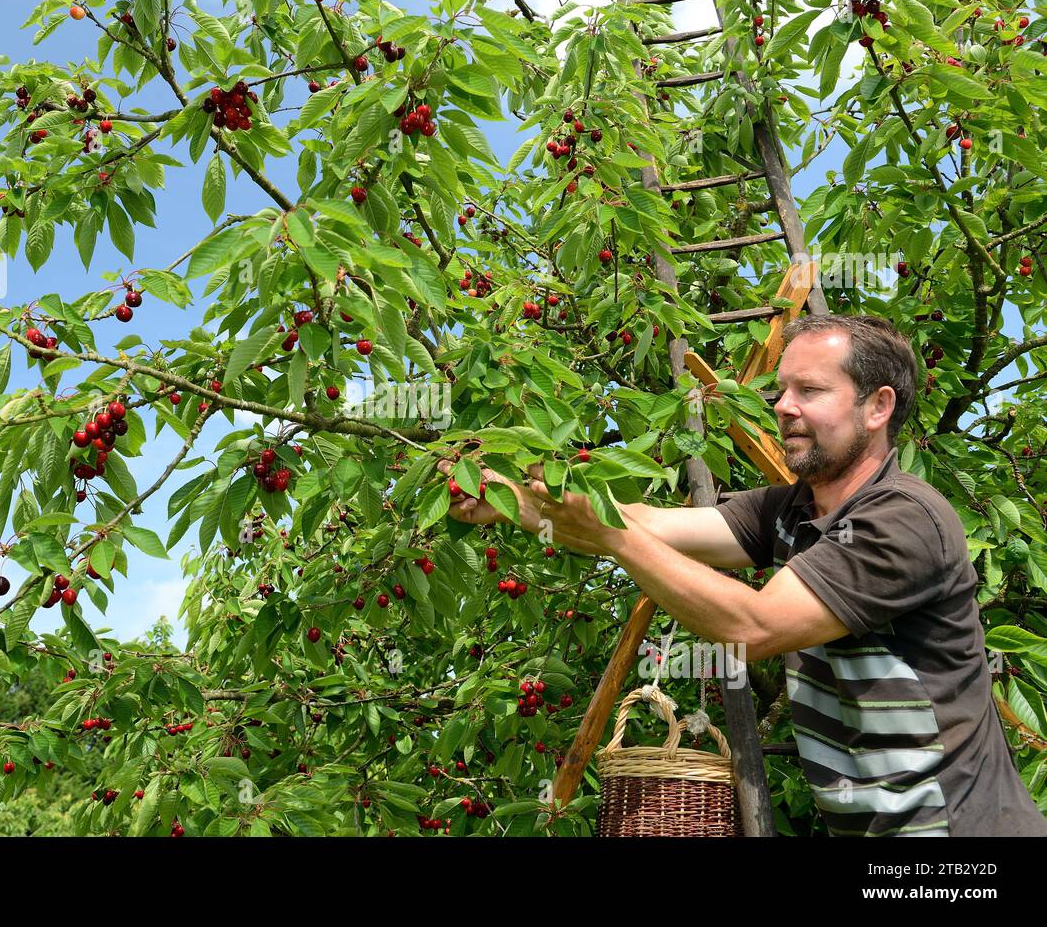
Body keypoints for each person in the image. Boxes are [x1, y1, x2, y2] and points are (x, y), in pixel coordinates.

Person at [443, 314, 1047, 837]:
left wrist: (610, 536)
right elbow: (642, 523)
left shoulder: (902, 520)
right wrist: (512, 499)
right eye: (782, 389)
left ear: (877, 407)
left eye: (810, 390)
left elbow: (752, 627)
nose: (783, 406)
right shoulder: (790, 510)